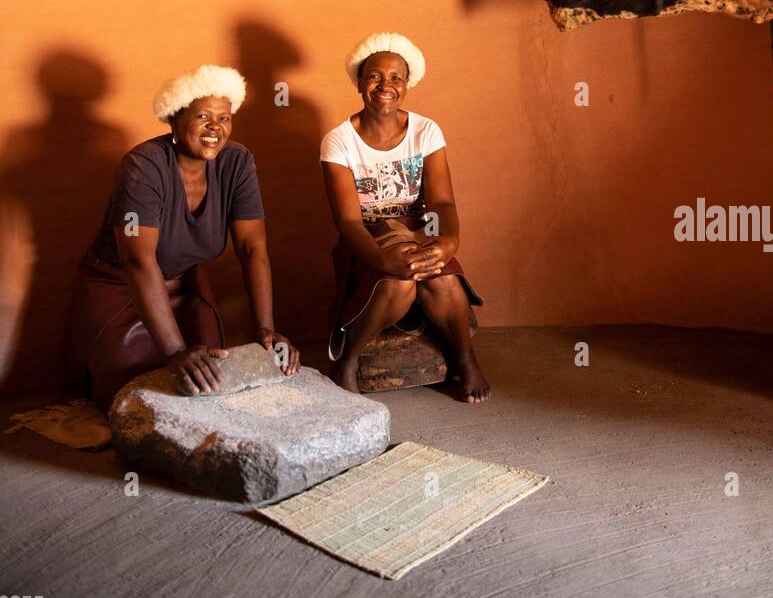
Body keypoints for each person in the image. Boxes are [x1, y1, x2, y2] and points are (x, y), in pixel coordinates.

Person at [64, 64, 299, 411]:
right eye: (202, 116)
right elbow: (137, 261)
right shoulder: (143, 166)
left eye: (224, 117)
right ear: (173, 120)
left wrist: (266, 330)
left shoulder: (237, 162)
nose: (214, 128)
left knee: (208, 381)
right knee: (133, 399)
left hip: (184, 286)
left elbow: (252, 248)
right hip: (119, 287)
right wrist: (174, 351)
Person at [321, 33, 489, 403]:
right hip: (366, 238)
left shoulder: (426, 131)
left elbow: (442, 202)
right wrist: (384, 259)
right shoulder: (339, 140)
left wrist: (448, 242)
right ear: (360, 83)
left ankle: (464, 359)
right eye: (375, 76)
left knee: (445, 281)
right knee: (399, 283)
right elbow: (348, 222)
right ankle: (347, 362)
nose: (386, 85)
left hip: (416, 232)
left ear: (407, 85)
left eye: (396, 78)